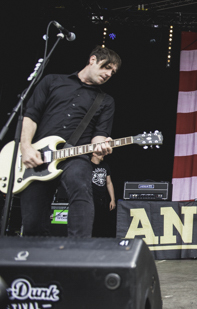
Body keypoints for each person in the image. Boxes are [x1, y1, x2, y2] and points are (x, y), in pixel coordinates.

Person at [19, 46, 121, 237]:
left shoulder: (106, 101)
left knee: (80, 186)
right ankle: (37, 258)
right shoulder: (52, 81)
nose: (108, 74)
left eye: (113, 72)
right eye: (106, 67)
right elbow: (31, 116)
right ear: (92, 60)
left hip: (76, 156)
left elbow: (99, 135)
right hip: (38, 156)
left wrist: (102, 145)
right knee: (32, 221)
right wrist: (26, 147)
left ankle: (78, 250)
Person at [91, 153, 116, 237]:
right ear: (94, 154)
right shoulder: (88, 165)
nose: (103, 155)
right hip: (91, 199)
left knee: (101, 223)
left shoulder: (105, 165)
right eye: (101, 153)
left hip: (102, 199)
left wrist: (112, 199)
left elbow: (109, 183)